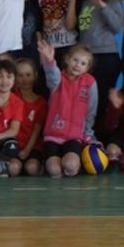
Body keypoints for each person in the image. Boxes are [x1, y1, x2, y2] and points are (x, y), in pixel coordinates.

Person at [67, 0, 124, 133]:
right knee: (84, 100)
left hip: (105, 57)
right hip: (86, 58)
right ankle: (84, 135)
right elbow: (78, 28)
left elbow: (117, 27)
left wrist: (103, 6)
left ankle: (100, 138)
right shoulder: (85, 1)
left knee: (101, 102)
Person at [38, 36, 98, 179]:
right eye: (75, 60)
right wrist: (49, 61)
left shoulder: (90, 82)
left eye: (83, 63)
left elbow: (91, 111)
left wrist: (88, 133)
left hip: (74, 136)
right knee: (54, 170)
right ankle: (51, 163)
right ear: (67, 60)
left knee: (70, 166)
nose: (78, 65)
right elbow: (52, 74)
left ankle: (75, 165)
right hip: (53, 135)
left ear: (87, 68)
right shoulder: (58, 79)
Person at [13, 58, 46, 176]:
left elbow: (37, 130)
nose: (25, 79)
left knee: (32, 168)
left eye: (28, 75)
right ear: (15, 77)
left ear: (35, 76)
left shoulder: (41, 102)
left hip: (32, 146)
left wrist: (27, 150)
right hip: (13, 145)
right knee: (13, 168)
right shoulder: (12, 97)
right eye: (20, 75)